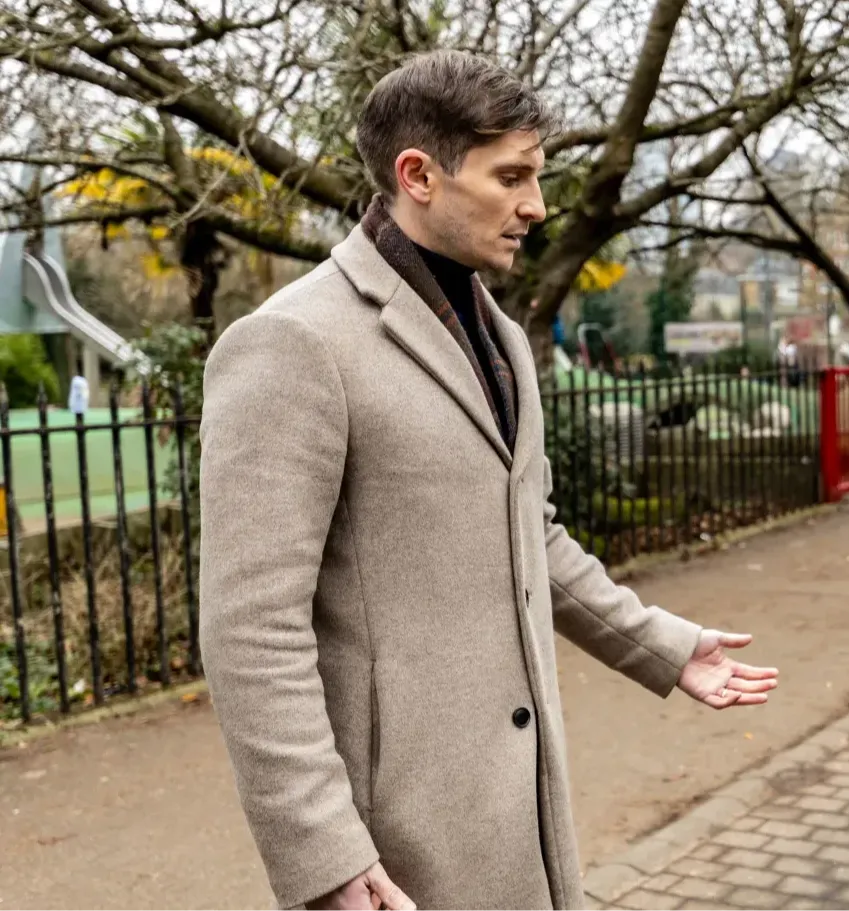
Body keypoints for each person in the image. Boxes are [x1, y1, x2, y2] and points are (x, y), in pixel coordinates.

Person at [198, 50, 778, 911]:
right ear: (418, 175)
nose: (536, 207)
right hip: (394, 844)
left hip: (521, 812)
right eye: (511, 177)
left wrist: (658, 642)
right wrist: (320, 851)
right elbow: (251, 628)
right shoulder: (293, 342)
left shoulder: (500, 336)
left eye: (536, 176)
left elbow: (527, 536)